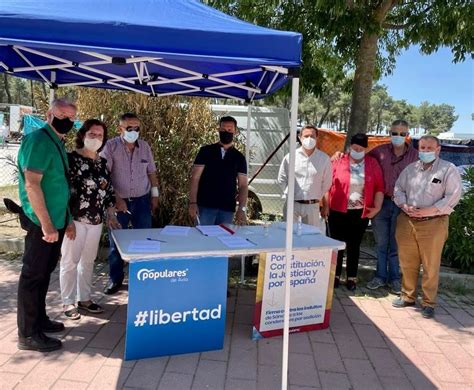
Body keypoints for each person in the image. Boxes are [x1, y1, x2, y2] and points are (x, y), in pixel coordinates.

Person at [16, 98, 76, 352]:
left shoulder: (57, 141)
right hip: (42, 223)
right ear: (49, 113)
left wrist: (68, 221)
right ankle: (28, 334)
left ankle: (39, 320)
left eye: (72, 117)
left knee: (43, 273)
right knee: (33, 275)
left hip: (57, 221)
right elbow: (32, 184)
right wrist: (47, 225)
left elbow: (60, 184)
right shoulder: (39, 140)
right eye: (63, 114)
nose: (67, 120)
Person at [392, 135, 462, 319]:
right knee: (408, 262)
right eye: (422, 148)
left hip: (434, 223)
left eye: (429, 148)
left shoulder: (448, 169)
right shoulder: (410, 169)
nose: (425, 151)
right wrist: (404, 204)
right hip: (407, 220)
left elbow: (453, 196)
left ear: (438, 149)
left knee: (431, 265)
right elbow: (398, 189)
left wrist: (430, 210)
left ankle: (428, 302)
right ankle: (407, 296)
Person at [60, 119, 120, 319]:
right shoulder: (71, 160)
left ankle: (84, 299)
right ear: (83, 135)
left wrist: (111, 214)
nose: (96, 138)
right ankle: (67, 302)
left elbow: (108, 192)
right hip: (75, 221)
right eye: (92, 134)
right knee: (70, 262)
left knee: (88, 262)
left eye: (100, 135)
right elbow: (63, 193)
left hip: (96, 221)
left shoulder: (102, 163)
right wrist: (67, 221)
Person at [100, 113, 159, 295]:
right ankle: (115, 280)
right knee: (117, 242)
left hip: (142, 201)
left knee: (145, 241)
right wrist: (116, 198)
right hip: (119, 202)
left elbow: (151, 173)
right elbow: (103, 175)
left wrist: (155, 195)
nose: (134, 131)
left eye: (137, 128)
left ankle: (143, 278)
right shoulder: (110, 147)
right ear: (120, 129)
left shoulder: (145, 147)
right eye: (129, 128)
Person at [326, 133, 384, 291]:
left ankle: (352, 276)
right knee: (337, 244)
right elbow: (327, 183)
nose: (357, 150)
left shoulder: (372, 163)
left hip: (359, 212)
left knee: (354, 245)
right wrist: (324, 205)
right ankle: (335, 275)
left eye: (361, 148)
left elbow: (379, 187)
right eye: (354, 147)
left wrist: (377, 208)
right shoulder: (339, 161)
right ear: (350, 146)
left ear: (366, 148)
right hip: (337, 210)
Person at [366, 120, 418, 294]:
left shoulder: (415, 156)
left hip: (402, 205)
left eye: (403, 134)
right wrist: (339, 155)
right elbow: (358, 159)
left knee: (396, 245)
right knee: (381, 243)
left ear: (407, 135)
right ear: (389, 133)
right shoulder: (378, 152)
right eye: (395, 133)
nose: (398, 136)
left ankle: (395, 279)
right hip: (381, 203)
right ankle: (380, 276)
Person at [188, 116, 248, 225]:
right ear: (218, 130)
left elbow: (243, 185)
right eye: (223, 129)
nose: (226, 132)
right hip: (205, 207)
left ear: (235, 131)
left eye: (230, 129)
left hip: (227, 209)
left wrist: (241, 209)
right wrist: (192, 203)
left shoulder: (239, 157)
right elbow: (195, 178)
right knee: (203, 239)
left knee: (222, 240)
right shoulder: (205, 151)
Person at [278, 125, 332, 234]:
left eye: (312, 136)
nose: (309, 139)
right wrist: (290, 193)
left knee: (310, 238)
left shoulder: (324, 159)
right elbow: (282, 178)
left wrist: (315, 196)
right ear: (300, 137)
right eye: (306, 136)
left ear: (317, 138)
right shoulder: (290, 157)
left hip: (312, 206)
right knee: (289, 237)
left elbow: (327, 183)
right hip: (292, 205)